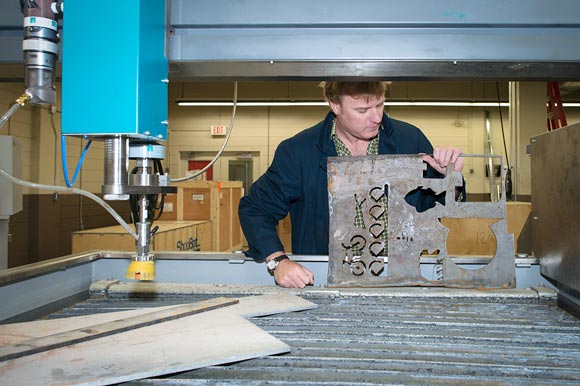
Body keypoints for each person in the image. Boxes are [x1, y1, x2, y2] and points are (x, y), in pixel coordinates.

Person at [238, 81, 465, 289]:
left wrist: (449, 177)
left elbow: (434, 206)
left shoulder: (410, 140)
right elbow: (256, 209)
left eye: (379, 105)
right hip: (325, 279)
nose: (376, 117)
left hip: (401, 277)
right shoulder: (298, 152)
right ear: (335, 105)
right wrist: (278, 261)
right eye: (362, 110)